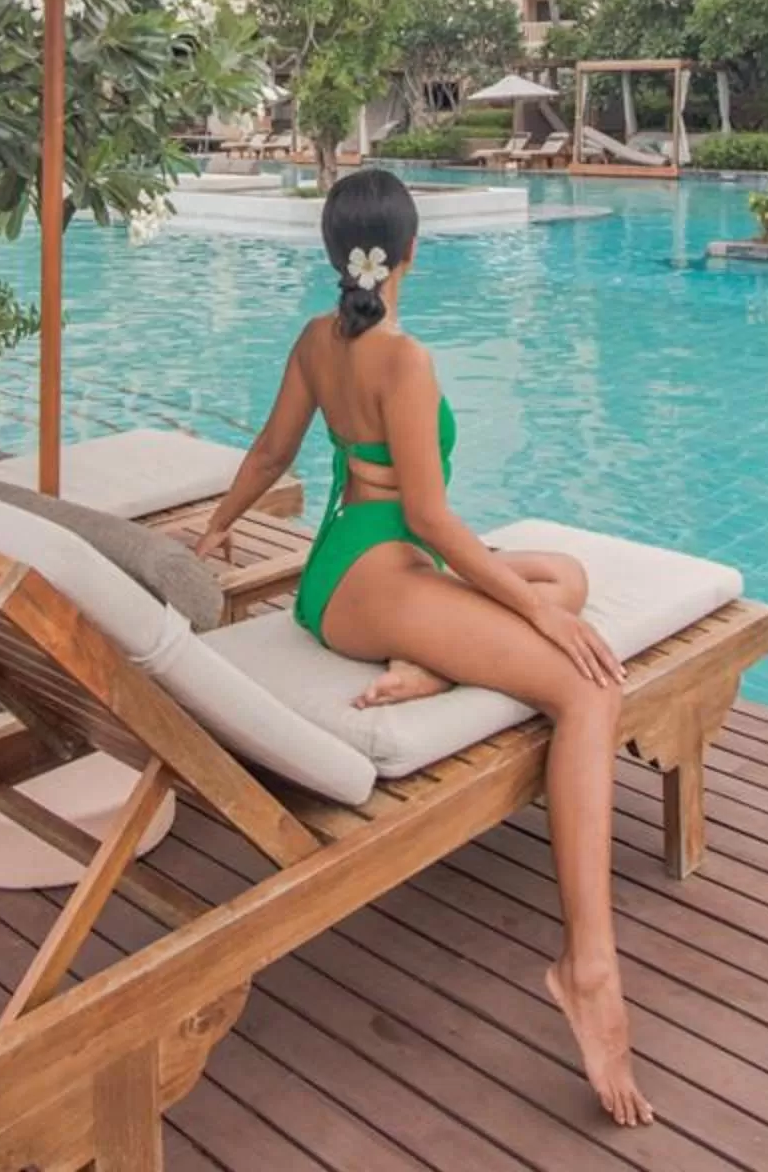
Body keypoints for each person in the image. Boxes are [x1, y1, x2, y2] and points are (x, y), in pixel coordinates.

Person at [183, 168, 654, 1127]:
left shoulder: (316, 340)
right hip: (381, 580)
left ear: (336, 254)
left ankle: (431, 666)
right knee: (588, 690)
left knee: (564, 576)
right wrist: (536, 621)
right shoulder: (405, 360)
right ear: (410, 254)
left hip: (345, 569)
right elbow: (434, 520)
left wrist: (219, 526)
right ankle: (588, 965)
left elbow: (272, 453)